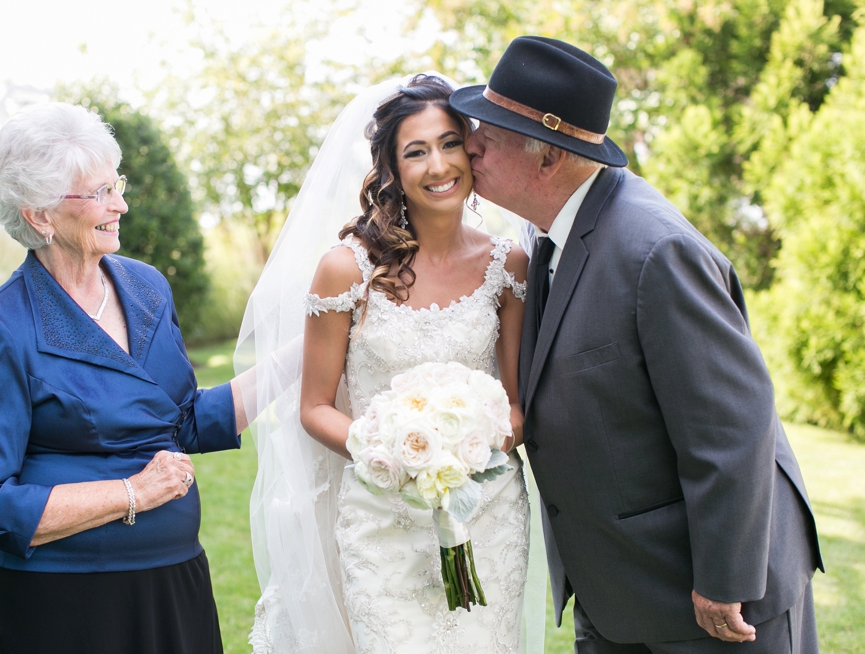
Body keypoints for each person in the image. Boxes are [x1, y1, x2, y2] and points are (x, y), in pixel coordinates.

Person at [449, 36, 824, 653]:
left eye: (487, 134)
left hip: (709, 601)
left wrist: (723, 581)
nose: (470, 146)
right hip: (621, 589)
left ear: (546, 159)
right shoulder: (547, 237)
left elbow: (733, 424)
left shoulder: (656, 250)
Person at [240, 75, 546, 653]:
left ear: (472, 151)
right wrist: (391, 451)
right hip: (382, 512)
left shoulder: (510, 264)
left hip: (487, 510)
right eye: (416, 151)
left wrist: (472, 452)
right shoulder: (346, 269)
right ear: (391, 169)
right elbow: (314, 408)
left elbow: (517, 403)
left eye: (451, 143)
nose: (439, 165)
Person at [0, 102, 250, 654]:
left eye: (117, 185)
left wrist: (299, 358)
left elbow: (180, 423)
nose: (122, 204)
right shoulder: (1, 325)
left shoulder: (147, 287)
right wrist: (132, 493)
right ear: (40, 215)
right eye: (99, 194)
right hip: (67, 603)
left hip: (175, 576)